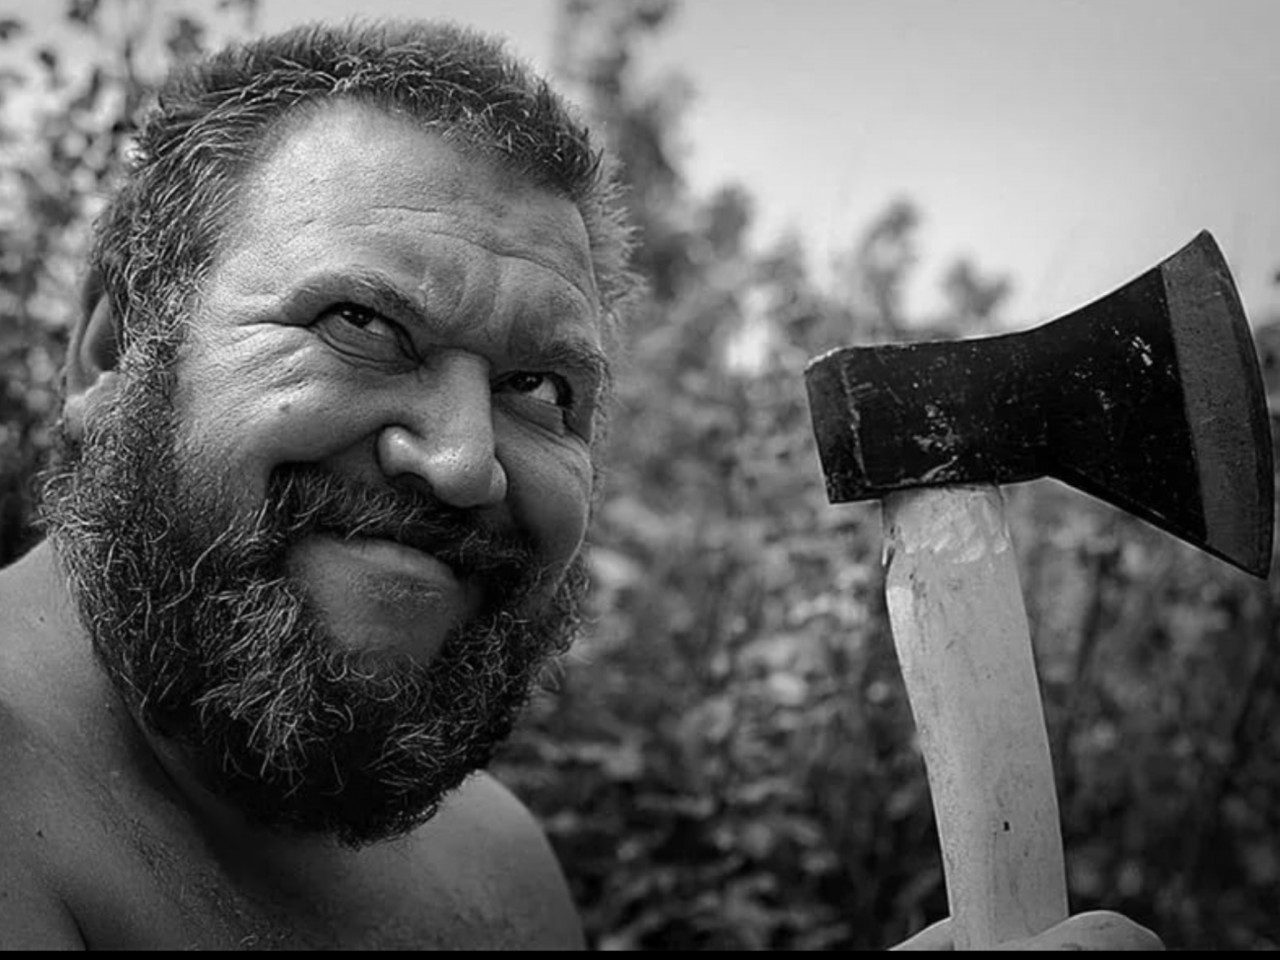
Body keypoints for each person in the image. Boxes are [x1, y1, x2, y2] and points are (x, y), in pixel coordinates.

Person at [0, 19, 1163, 950]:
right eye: (362, 325)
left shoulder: (495, 865)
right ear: (112, 352)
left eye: (539, 389)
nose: (464, 461)